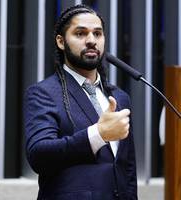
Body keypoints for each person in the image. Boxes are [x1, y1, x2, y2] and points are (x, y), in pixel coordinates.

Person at [24, 4, 137, 200]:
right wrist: (98, 134)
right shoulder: (44, 93)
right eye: (80, 33)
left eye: (98, 33)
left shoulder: (119, 98)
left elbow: (127, 169)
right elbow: (39, 156)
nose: (91, 40)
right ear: (61, 41)